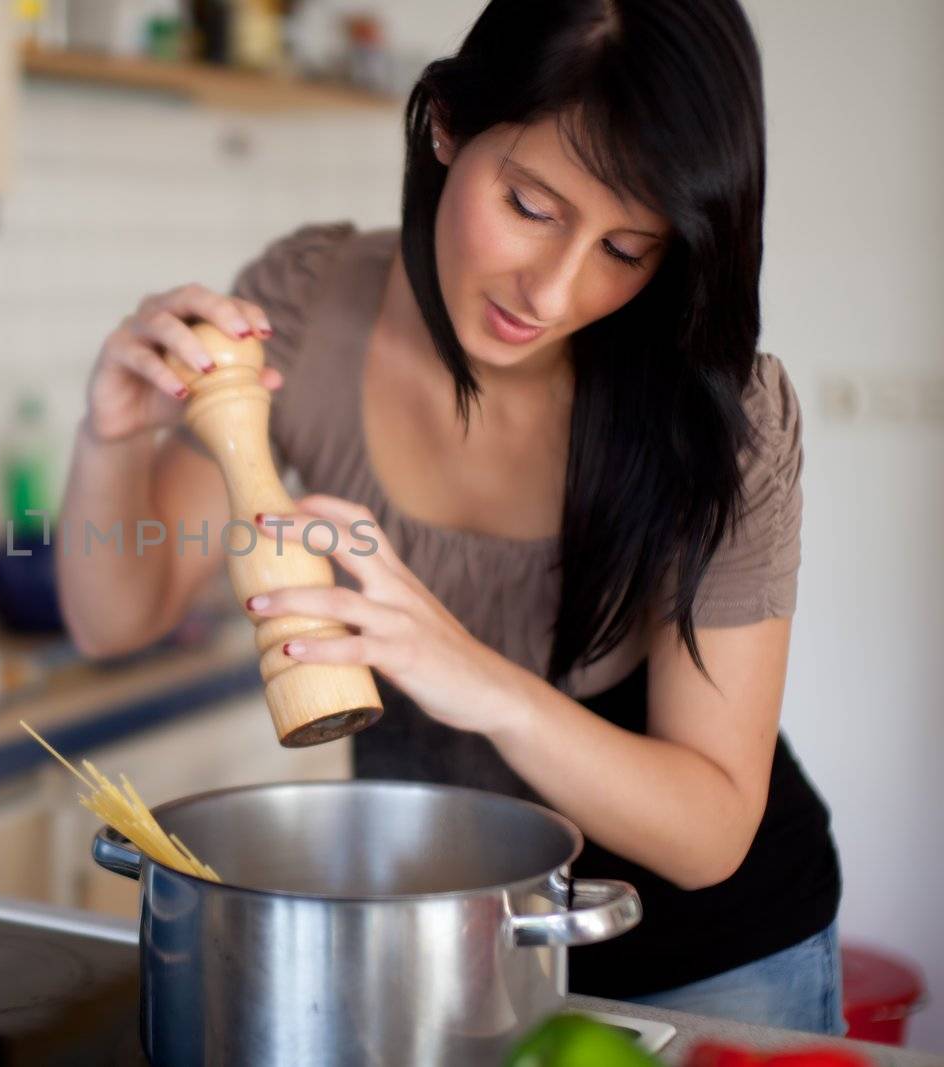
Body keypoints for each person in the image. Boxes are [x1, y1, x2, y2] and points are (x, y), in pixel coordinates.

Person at [53, 0, 843, 1035]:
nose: (553, 290)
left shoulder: (722, 413)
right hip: (429, 956)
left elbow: (709, 828)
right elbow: (115, 616)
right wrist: (112, 437)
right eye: (530, 203)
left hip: (711, 967)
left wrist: (472, 674)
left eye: (626, 247)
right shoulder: (306, 311)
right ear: (445, 126)